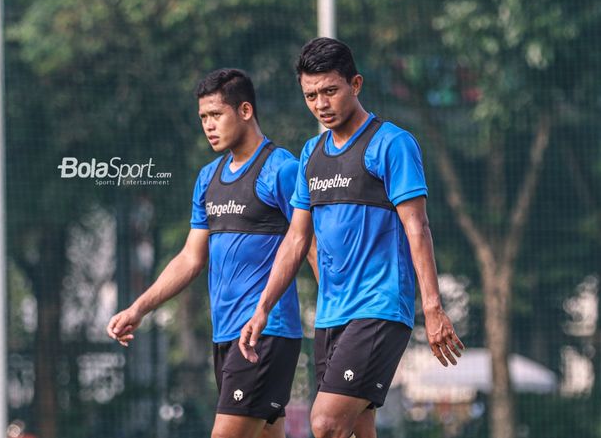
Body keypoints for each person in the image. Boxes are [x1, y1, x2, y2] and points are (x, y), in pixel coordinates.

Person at [238, 38, 465, 438]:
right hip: (330, 315)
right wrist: (262, 309)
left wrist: (432, 308)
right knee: (359, 429)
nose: (320, 103)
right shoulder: (311, 153)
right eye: (310, 95)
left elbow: (418, 227)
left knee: (325, 423)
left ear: (355, 84)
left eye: (330, 91)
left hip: (379, 307)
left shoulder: (392, 144)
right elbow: (295, 240)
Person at [107, 68, 310, 438]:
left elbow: (306, 242)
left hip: (264, 333)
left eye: (216, 115)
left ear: (245, 111)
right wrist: (139, 308)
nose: (208, 125)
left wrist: (334, 318)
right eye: (203, 117)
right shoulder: (208, 178)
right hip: (226, 336)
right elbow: (190, 258)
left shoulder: (281, 169)